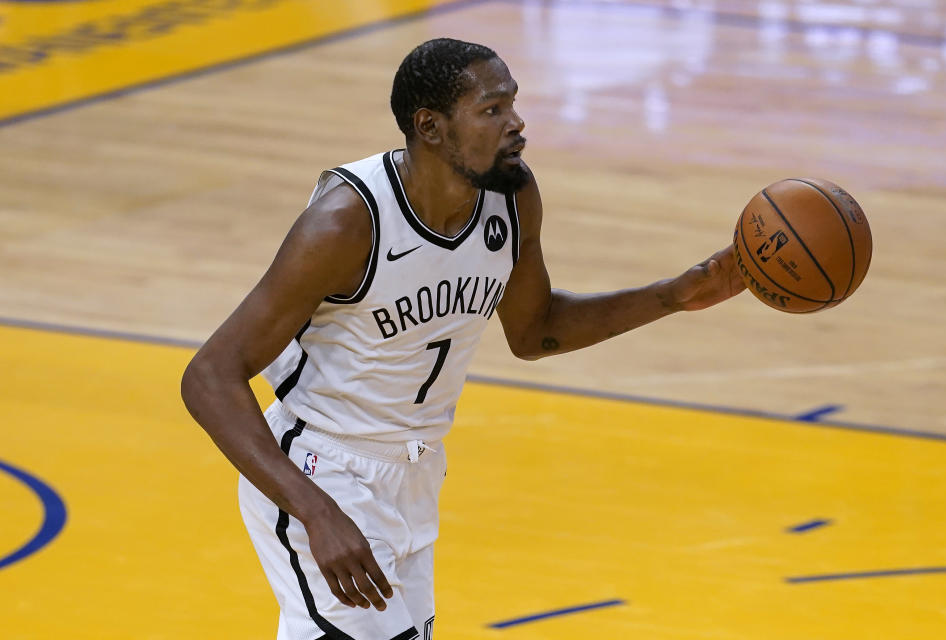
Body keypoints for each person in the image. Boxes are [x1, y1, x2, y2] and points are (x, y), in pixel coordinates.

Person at [180, 38, 745, 640]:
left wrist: (674, 296)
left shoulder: (512, 199)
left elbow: (536, 331)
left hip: (416, 475)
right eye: (492, 109)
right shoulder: (348, 223)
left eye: (513, 104)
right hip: (323, 469)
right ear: (431, 126)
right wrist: (316, 510)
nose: (516, 122)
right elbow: (210, 375)